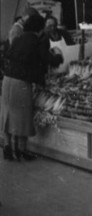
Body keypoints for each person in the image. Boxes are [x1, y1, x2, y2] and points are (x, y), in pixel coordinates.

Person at [1, 14, 63, 161]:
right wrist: (58, 57)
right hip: (21, 83)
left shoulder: (19, 38)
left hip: (7, 80)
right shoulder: (36, 41)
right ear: (40, 28)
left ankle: (8, 148)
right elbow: (47, 59)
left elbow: (7, 55)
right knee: (22, 117)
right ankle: (21, 150)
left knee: (9, 115)